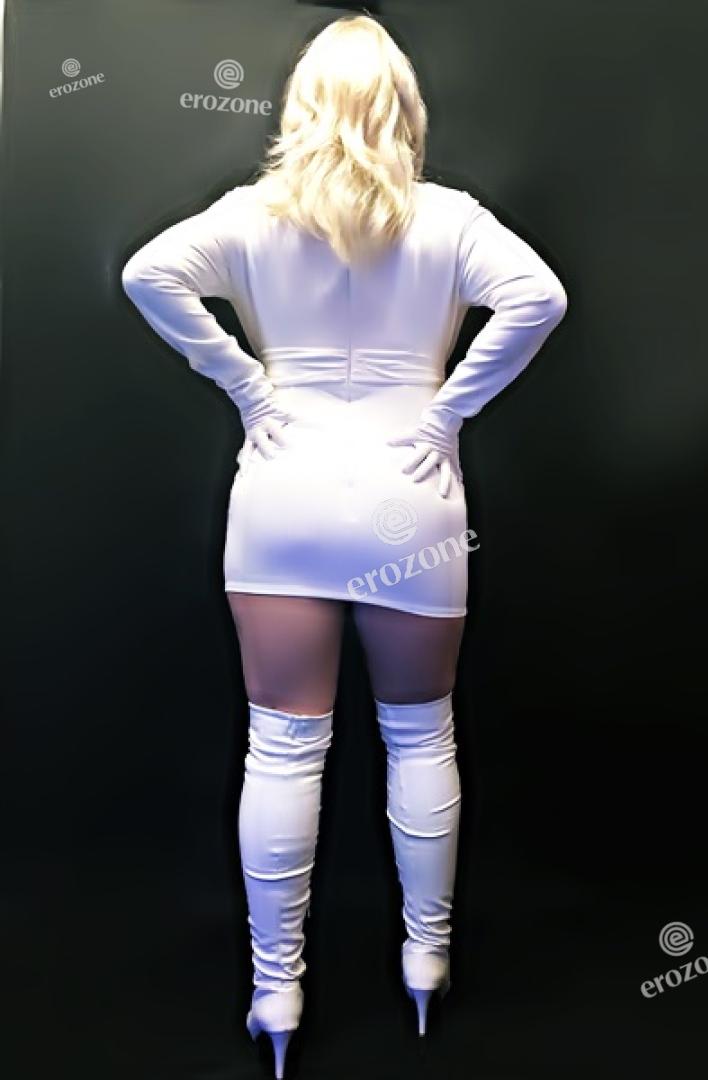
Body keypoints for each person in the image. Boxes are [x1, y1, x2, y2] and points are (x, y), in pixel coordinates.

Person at [120, 13, 567, 1079]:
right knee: (420, 737)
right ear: (403, 106)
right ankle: (426, 963)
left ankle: (277, 991)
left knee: (282, 746)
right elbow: (539, 298)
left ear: (300, 104)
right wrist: (448, 413)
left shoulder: (251, 216)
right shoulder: (450, 219)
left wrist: (245, 385)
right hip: (412, 494)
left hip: (285, 487)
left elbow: (146, 274)